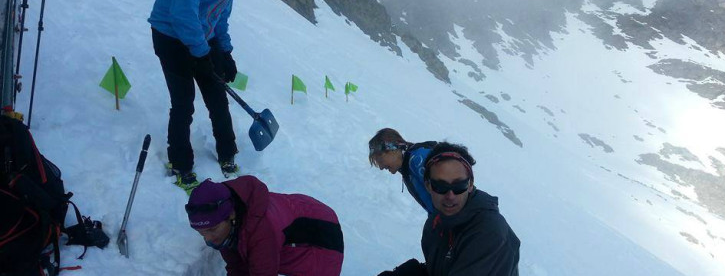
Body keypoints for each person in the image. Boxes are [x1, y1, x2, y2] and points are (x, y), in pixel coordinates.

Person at [149, 0, 260, 191]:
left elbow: (220, 14)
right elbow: (182, 9)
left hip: (202, 37)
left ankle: (227, 154)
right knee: (184, 102)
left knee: (217, 97)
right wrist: (200, 53)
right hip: (171, 35)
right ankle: (180, 164)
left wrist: (225, 51)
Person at [378, 142, 520, 276]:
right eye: (440, 186)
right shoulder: (436, 223)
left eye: (459, 186)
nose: (450, 195)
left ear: (470, 185)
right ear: (427, 186)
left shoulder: (489, 232)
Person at [186, 177, 344, 276]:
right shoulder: (224, 221)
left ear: (231, 215)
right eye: (202, 234)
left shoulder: (262, 232)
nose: (208, 238)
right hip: (292, 220)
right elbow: (237, 267)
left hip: (321, 234)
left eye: (212, 230)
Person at [368, 128, 437, 213]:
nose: (381, 167)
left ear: (392, 149)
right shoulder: (409, 167)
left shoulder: (418, 159)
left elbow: (448, 192)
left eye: (381, 160)